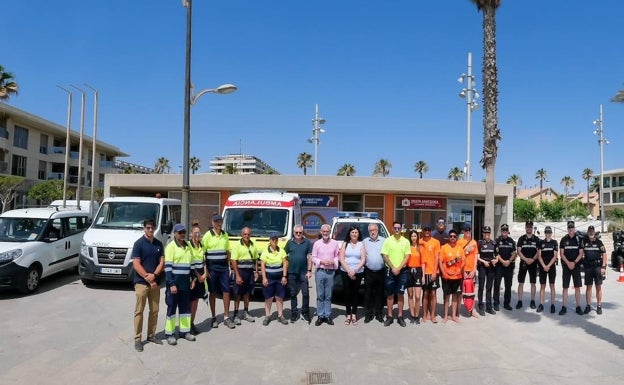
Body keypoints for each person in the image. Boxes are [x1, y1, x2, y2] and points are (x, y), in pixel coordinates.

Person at [164, 224, 201, 345]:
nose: (182, 234)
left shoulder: (188, 247)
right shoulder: (170, 247)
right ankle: (169, 334)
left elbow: (191, 267)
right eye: (179, 232)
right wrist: (171, 284)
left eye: (184, 232)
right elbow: (168, 268)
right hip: (175, 285)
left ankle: (184, 332)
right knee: (172, 309)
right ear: (175, 233)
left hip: (185, 285)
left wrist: (193, 279)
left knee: (185, 310)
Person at [131, 219, 165, 352]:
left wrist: (154, 276)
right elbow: (136, 264)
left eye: (152, 228)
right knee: (139, 311)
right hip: (141, 283)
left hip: (155, 282)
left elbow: (162, 262)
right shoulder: (138, 244)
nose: (150, 230)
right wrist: (147, 277)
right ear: (144, 228)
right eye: (148, 228)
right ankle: (137, 339)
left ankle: (151, 335)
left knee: (155, 310)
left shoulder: (159, 244)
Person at [202, 214, 234, 329]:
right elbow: (202, 255)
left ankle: (226, 317)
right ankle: (214, 317)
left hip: (224, 268)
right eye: (216, 222)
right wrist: (205, 269)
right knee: (213, 292)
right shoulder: (207, 236)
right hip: (212, 269)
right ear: (212, 223)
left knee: (227, 291)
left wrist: (229, 266)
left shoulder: (225, 235)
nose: (218, 224)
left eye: (219, 221)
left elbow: (228, 252)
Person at [381, 221, 411, 327]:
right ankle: (389, 316)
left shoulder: (406, 241)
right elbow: (385, 255)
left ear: (401, 229)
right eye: (395, 228)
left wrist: (399, 268)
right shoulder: (388, 241)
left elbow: (407, 256)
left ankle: (400, 316)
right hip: (391, 271)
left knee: (400, 294)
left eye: (399, 228)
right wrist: (393, 267)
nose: (397, 229)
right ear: (392, 229)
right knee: (390, 294)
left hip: (402, 272)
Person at [311, 223, 340, 326]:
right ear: (321, 232)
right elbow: (313, 257)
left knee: (328, 295)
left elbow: (338, 256)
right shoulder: (317, 244)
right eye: (324, 231)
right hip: (320, 271)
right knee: (320, 295)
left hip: (330, 272)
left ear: (330, 232)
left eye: (327, 231)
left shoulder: (335, 243)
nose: (325, 233)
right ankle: (320, 315)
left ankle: (327, 315)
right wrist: (321, 262)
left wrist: (333, 262)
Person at [285, 224, 313, 323]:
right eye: (296, 232)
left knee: (305, 293)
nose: (298, 234)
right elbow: (284, 256)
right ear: (293, 233)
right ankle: (294, 312)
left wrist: (309, 271)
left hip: (303, 272)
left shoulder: (307, 243)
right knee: (293, 293)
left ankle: (305, 312)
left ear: (302, 233)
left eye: (300, 232)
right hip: (292, 272)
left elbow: (310, 258)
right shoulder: (289, 243)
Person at [230, 226, 259, 325]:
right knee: (237, 294)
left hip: (249, 273)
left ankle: (246, 312)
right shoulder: (237, 245)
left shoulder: (253, 245)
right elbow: (233, 260)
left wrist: (256, 271)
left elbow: (255, 259)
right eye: (245, 234)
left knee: (247, 293)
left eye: (248, 234)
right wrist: (237, 275)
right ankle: (236, 314)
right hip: (240, 272)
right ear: (242, 235)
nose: (247, 236)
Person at [260, 233, 289, 326]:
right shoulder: (265, 251)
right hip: (269, 278)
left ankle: (280, 315)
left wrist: (284, 276)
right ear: (270, 240)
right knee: (269, 297)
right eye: (273, 239)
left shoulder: (282, 251)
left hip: (280, 278)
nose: (274, 241)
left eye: (276, 239)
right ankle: (267, 316)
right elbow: (263, 266)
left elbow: (285, 263)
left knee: (279, 297)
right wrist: (264, 278)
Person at [339, 225, 366, 325]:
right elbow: (341, 259)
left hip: (358, 272)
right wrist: (349, 270)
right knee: (347, 293)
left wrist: (355, 270)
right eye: (352, 232)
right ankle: (348, 314)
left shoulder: (361, 244)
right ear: (349, 234)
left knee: (355, 293)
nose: (354, 234)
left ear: (358, 234)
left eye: (356, 232)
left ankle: (354, 314)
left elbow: (363, 259)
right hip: (345, 271)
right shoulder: (345, 244)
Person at [439, 229, 465, 323]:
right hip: (446, 277)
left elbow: (463, 261)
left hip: (457, 277)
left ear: (457, 238)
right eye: (451, 236)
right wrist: (444, 273)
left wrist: (459, 269)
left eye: (454, 236)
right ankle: (445, 315)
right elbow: (440, 262)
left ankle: (453, 315)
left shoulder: (460, 248)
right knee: (446, 297)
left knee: (455, 297)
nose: (452, 238)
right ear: (449, 237)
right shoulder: (444, 247)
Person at [559, 221, 584, 316]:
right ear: (567, 228)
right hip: (566, 265)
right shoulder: (563, 239)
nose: (570, 229)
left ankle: (578, 307)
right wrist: (568, 263)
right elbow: (561, 253)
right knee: (565, 287)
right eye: (569, 227)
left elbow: (581, 253)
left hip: (575, 265)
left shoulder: (578, 239)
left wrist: (573, 262)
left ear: (574, 228)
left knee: (577, 287)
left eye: (572, 227)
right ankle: (564, 307)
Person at [363, 223, 386, 324]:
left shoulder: (384, 241)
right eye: (371, 230)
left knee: (379, 294)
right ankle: (368, 314)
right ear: (369, 232)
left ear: (378, 230)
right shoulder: (365, 241)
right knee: (368, 294)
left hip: (381, 271)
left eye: (374, 230)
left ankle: (379, 314)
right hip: (368, 271)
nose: (373, 232)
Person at [516, 220, 540, 309]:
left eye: (530, 226)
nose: (529, 228)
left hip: (533, 263)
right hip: (523, 263)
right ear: (525, 227)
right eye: (527, 226)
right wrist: (526, 259)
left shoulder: (536, 239)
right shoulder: (521, 238)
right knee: (521, 282)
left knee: (533, 283)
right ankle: (519, 301)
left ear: (532, 228)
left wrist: (533, 259)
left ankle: (532, 301)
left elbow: (538, 252)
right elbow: (518, 251)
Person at [581, 225, 606, 315]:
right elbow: (581, 252)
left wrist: (603, 267)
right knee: (588, 287)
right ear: (588, 232)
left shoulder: (599, 242)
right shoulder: (584, 242)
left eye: (592, 231)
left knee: (598, 287)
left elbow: (604, 254)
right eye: (589, 231)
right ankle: (588, 306)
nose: (591, 232)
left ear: (594, 232)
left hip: (597, 267)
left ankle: (599, 306)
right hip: (588, 267)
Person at [188, 222, 207, 335]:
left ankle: (192, 323)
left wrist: (204, 273)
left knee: (196, 301)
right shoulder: (188, 245)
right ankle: (187, 325)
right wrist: (198, 276)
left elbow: (204, 261)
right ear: (191, 234)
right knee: (190, 301)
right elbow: (191, 263)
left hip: (201, 276)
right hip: (193, 276)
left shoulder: (201, 245)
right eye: (195, 233)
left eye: (199, 233)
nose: (197, 235)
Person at [420, 225, 441, 323]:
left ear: (431, 231)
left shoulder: (436, 242)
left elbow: (437, 258)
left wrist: (434, 272)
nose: (427, 231)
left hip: (433, 272)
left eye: (429, 230)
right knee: (425, 293)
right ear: (423, 231)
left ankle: (433, 315)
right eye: (426, 230)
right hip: (424, 272)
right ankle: (425, 314)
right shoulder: (420, 241)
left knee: (433, 293)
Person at [457, 223, 479, 317]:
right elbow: (458, 258)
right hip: (463, 269)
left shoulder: (474, 242)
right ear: (463, 231)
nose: (468, 232)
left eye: (469, 230)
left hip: (471, 269)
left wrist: (474, 269)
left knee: (472, 290)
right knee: (460, 291)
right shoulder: (459, 242)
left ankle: (472, 310)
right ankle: (457, 310)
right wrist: (466, 251)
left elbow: (475, 257)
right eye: (466, 230)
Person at [494, 223, 516, 311]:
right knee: (497, 285)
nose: (504, 232)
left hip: (509, 267)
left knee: (508, 286)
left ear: (508, 231)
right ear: (501, 231)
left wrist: (509, 261)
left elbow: (514, 253)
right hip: (499, 266)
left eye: (506, 230)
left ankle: (507, 303)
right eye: (503, 230)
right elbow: (496, 254)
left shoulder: (511, 241)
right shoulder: (497, 241)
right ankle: (496, 303)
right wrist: (503, 262)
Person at [536, 226, 558, 313]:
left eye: (549, 232)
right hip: (543, 267)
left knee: (552, 285)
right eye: (546, 232)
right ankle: (541, 304)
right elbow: (539, 255)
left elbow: (555, 256)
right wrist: (544, 266)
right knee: (542, 286)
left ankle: (552, 304)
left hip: (551, 267)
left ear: (551, 233)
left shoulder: (554, 242)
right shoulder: (541, 242)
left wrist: (548, 266)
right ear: (545, 233)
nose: (548, 234)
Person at [476, 225, 496, 315]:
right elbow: (477, 257)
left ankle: (488, 306)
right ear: (483, 233)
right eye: (485, 232)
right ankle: (480, 306)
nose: (486, 234)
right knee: (481, 287)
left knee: (489, 287)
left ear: (490, 233)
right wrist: (484, 262)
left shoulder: (493, 243)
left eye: (488, 232)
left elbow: (496, 255)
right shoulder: (479, 243)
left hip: (491, 267)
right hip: (482, 267)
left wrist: (495, 260)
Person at [406, 229, 423, 324]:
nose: (413, 238)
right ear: (410, 237)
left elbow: (423, 263)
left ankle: (417, 315)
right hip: (409, 271)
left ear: (417, 237)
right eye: (412, 236)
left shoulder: (420, 248)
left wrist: (423, 275)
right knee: (410, 295)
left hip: (418, 272)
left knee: (417, 296)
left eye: (415, 236)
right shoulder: (407, 247)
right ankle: (412, 315)